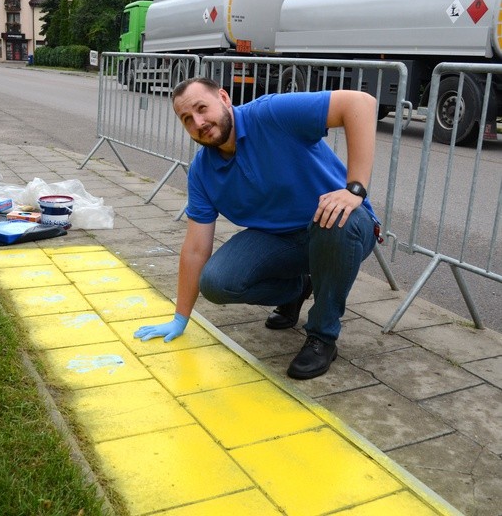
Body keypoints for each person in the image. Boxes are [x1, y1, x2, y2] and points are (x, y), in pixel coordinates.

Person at [134, 77, 380, 380]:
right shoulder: (202, 172)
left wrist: (354, 188)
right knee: (216, 282)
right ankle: (296, 288)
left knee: (336, 223)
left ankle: (322, 336)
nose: (198, 122)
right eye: (187, 119)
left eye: (202, 108)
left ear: (224, 98)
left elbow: (360, 103)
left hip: (341, 227)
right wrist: (180, 318)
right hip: (282, 242)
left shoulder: (271, 114)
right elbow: (196, 248)